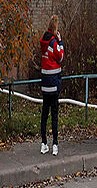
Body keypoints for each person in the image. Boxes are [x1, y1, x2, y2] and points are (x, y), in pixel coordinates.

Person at [39, 15, 65, 155]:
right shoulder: (53, 42)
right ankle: (55, 144)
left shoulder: (43, 41)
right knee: (54, 114)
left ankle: (44, 143)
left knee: (44, 114)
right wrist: (60, 42)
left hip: (45, 83)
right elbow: (60, 56)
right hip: (54, 83)